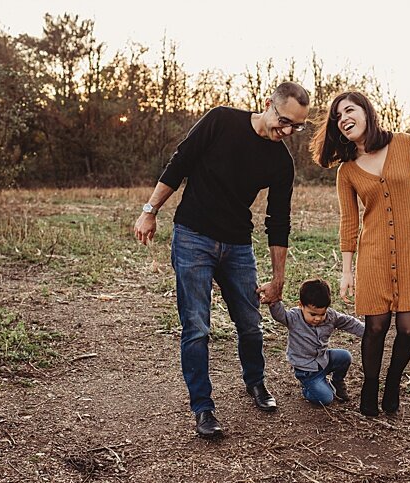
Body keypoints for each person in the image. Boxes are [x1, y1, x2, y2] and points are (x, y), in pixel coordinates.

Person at [133, 82, 311, 439]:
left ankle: (255, 383)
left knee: (250, 322)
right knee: (197, 326)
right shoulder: (221, 121)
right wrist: (150, 210)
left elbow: (279, 222)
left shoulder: (281, 162)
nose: (288, 131)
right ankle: (203, 407)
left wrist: (278, 279)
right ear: (267, 105)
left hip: (237, 245)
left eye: (297, 126)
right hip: (193, 237)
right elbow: (179, 163)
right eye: (284, 120)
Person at [311, 91, 410, 416]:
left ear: (367, 112)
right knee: (376, 327)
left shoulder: (405, 144)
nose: (343, 119)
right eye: (338, 117)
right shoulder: (347, 172)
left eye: (349, 110)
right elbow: (348, 222)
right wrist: (346, 270)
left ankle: (393, 381)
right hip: (375, 254)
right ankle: (371, 384)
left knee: (409, 327)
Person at [266, 279, 364, 406]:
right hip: (307, 371)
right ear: (301, 305)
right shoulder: (294, 317)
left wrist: (370, 332)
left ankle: (337, 381)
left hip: (323, 360)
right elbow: (279, 315)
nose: (318, 318)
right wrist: (274, 300)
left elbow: (349, 322)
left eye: (322, 314)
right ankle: (308, 389)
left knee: (344, 356)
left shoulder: (330, 316)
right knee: (326, 399)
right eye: (313, 314)